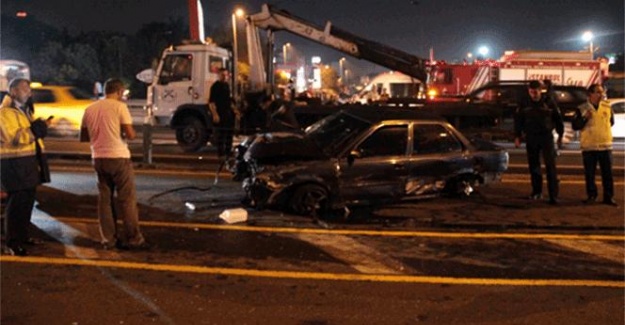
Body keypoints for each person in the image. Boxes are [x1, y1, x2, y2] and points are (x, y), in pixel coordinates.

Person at [80, 78, 147, 250]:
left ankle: (108, 239)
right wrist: (125, 133)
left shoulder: (90, 109)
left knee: (105, 200)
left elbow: (83, 137)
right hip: (118, 157)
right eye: (122, 93)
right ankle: (133, 238)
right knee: (127, 199)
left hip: (98, 158)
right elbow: (130, 134)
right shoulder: (119, 107)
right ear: (118, 91)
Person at [0, 78, 50, 256]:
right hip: (13, 164)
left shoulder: (23, 111)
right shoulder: (5, 112)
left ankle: (23, 236)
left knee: (27, 202)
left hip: (26, 163)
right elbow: (14, 138)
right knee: (16, 205)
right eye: (25, 89)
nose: (29, 93)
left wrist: (40, 127)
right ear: (13, 91)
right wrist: (37, 129)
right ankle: (12, 243)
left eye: (29, 90)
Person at [514, 80, 564, 205]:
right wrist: (517, 136)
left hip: (546, 137)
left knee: (550, 167)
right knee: (534, 166)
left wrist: (560, 135)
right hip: (531, 137)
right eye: (531, 92)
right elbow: (518, 120)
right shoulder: (524, 103)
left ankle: (553, 195)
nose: (534, 94)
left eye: (536, 91)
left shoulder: (548, 102)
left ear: (540, 90)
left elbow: (558, 119)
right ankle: (536, 192)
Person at [572, 84, 617, 206]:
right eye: (597, 92)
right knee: (590, 174)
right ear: (590, 94)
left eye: (601, 92)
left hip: (605, 145)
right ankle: (592, 195)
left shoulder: (607, 107)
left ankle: (608, 197)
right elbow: (575, 125)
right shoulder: (582, 108)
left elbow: (611, 122)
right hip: (589, 146)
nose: (600, 95)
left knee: (607, 174)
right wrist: (585, 118)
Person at [209, 68, 239, 159]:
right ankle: (221, 153)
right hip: (220, 113)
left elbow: (229, 100)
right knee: (221, 134)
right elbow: (211, 102)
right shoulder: (215, 86)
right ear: (218, 75)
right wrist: (215, 114)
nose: (224, 77)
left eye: (226, 75)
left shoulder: (226, 85)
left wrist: (235, 110)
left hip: (228, 113)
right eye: (222, 75)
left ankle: (228, 151)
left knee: (229, 133)